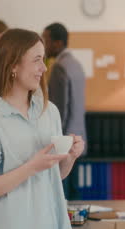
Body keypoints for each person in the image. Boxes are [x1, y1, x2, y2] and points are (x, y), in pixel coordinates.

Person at [0, 28, 84, 229]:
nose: (44, 68)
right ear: (13, 65)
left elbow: (55, 176)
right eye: (37, 60)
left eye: (44, 59)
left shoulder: (49, 111)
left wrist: (69, 157)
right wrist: (31, 167)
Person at [43, 22, 87, 200]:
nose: (44, 45)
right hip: (78, 137)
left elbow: (58, 110)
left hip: (65, 142)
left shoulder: (59, 67)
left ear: (58, 43)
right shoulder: (76, 64)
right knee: (74, 193)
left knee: (63, 195)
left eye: (46, 40)